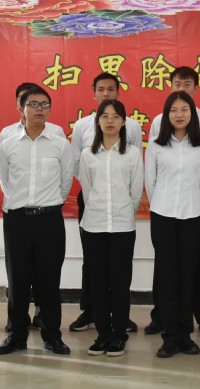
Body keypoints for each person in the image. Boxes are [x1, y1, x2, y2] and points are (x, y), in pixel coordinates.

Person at [0, 86, 73, 355]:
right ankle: (16, 335)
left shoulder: (60, 144)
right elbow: (5, 182)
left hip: (49, 220)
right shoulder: (8, 145)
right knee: (17, 280)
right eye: (34, 104)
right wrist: (22, 204)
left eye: (45, 104)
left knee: (49, 280)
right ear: (21, 109)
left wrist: (47, 203)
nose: (40, 109)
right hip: (17, 219)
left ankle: (52, 336)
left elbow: (65, 184)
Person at [146, 66, 200, 336]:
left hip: (196, 209)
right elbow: (151, 181)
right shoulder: (159, 124)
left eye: (187, 84)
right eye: (176, 83)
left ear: (196, 88)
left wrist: (191, 198)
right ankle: (162, 319)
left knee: (195, 265)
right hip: (165, 210)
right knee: (165, 267)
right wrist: (166, 200)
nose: (181, 88)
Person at [69, 73, 142, 334]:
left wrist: (124, 208)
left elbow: (135, 187)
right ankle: (92, 314)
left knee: (120, 273)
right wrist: (100, 198)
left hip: (122, 212)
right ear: (94, 92)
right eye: (101, 89)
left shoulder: (133, 136)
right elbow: (82, 175)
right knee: (94, 267)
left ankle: (120, 323)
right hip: (94, 208)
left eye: (111, 89)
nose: (106, 93)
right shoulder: (82, 130)